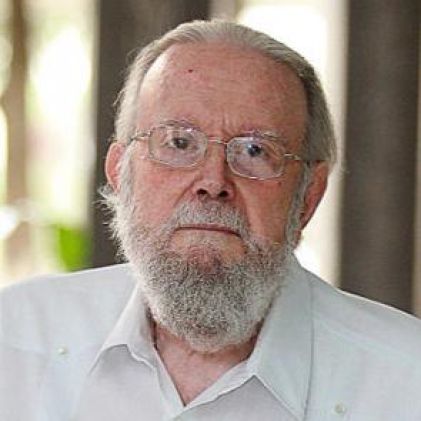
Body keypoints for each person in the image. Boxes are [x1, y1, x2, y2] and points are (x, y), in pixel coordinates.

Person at [1, 19, 421, 421]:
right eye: (179, 142)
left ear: (308, 196)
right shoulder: (13, 340)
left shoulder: (406, 383)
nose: (213, 182)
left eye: (255, 150)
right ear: (119, 173)